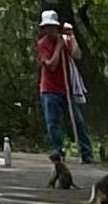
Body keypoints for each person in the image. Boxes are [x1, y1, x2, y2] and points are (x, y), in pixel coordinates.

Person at [36, 10, 94, 163]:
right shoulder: (43, 44)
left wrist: (71, 36)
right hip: (49, 89)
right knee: (53, 122)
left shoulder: (65, 40)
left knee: (78, 120)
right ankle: (58, 151)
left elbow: (76, 54)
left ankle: (86, 152)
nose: (50, 30)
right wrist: (59, 47)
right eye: (47, 27)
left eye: (53, 27)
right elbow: (51, 65)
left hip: (66, 89)